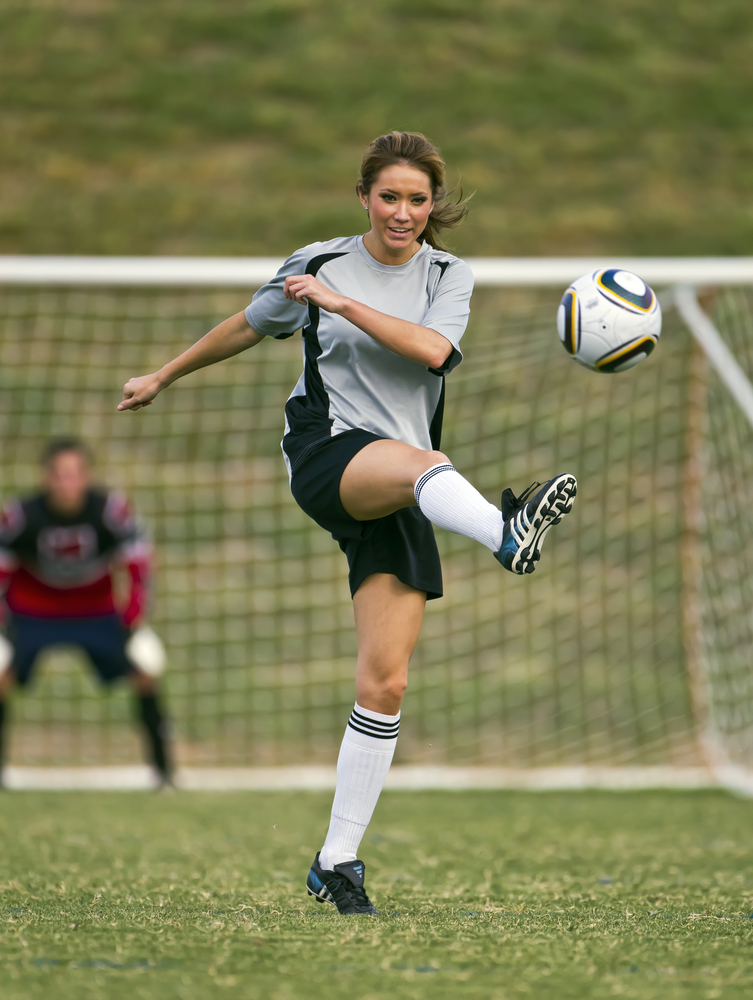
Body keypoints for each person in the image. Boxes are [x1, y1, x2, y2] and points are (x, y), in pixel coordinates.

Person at [118, 131, 576, 912]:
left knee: (386, 682)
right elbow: (248, 322)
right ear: (363, 197)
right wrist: (163, 375)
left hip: (402, 482)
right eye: (390, 197)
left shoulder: (445, 274)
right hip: (330, 456)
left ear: (434, 207)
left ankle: (336, 861)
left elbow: (432, 351)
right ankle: (505, 531)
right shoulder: (317, 262)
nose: (403, 213)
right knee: (428, 467)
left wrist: (344, 307)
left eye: (418, 200)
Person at [0, 438, 172, 785]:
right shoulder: (21, 515)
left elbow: (138, 556)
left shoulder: (109, 510)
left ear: (87, 476)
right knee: (0, 672)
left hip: (96, 612)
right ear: (47, 478)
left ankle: (164, 773)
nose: (67, 483)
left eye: (75, 474)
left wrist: (134, 609)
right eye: (60, 475)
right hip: (34, 612)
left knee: (147, 667)